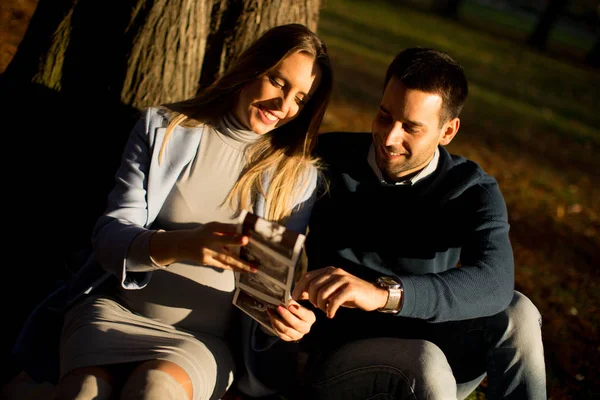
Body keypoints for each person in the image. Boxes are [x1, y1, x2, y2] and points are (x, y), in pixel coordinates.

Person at [53, 23, 332, 400]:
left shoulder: (294, 177)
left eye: (300, 99)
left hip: (199, 341)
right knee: (84, 392)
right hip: (112, 314)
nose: (283, 107)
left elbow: (267, 288)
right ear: (251, 68)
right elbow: (108, 238)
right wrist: (183, 245)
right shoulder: (165, 129)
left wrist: (284, 322)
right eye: (278, 82)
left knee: (154, 390)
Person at [290, 47, 547, 399]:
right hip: (336, 356)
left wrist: (384, 295)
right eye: (384, 115)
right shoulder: (326, 159)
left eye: (411, 127)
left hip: (433, 351)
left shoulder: (469, 187)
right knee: (424, 362)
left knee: (517, 312)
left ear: (448, 131)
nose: (390, 138)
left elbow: (495, 281)